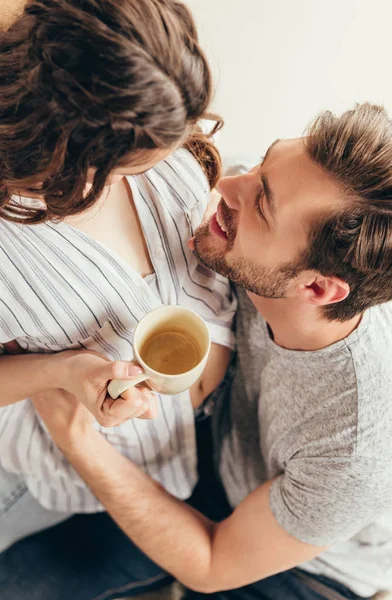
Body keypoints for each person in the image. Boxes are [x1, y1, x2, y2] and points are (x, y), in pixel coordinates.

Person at [3, 102, 392, 600]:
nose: (227, 185)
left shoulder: (358, 448)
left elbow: (212, 563)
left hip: (302, 569)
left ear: (318, 290)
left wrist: (76, 440)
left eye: (261, 204)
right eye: (262, 164)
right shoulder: (265, 255)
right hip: (213, 455)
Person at [0, 0, 236, 569]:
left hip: (209, 441)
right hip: (70, 476)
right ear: (66, 157)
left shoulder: (157, 123)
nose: (171, 160)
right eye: (134, 166)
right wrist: (64, 372)